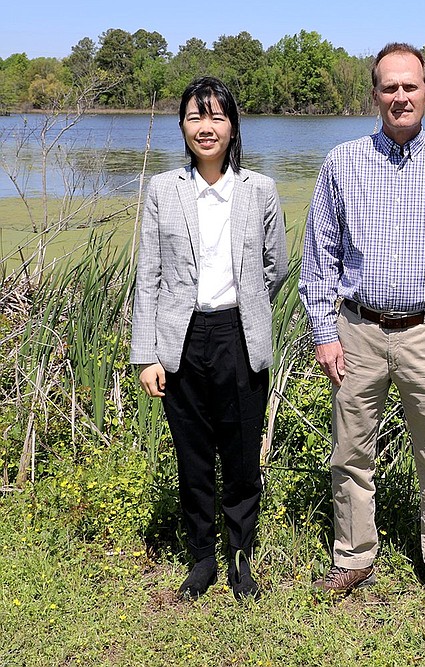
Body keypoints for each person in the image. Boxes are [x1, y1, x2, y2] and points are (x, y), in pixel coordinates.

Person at [299, 42, 425, 616]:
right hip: (357, 329)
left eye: (411, 86)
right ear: (375, 95)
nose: (400, 96)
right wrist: (324, 332)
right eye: (389, 87)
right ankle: (353, 556)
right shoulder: (342, 162)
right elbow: (319, 256)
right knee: (351, 449)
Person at [131, 76, 288, 602]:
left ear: (233, 126)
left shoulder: (259, 190)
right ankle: (202, 558)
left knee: (242, 454)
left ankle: (241, 557)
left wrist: (246, 303)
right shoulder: (162, 190)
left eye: (216, 116)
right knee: (192, 454)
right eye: (196, 117)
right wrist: (146, 355)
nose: (206, 127)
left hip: (240, 334)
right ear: (182, 126)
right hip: (181, 339)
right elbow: (147, 274)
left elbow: (275, 266)